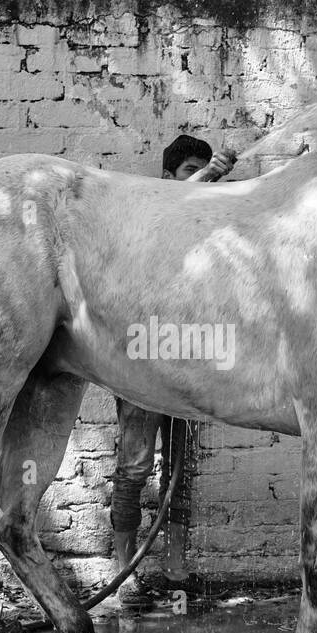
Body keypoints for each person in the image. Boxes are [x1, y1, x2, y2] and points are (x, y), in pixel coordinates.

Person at [112, 135, 235, 606]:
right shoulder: (145, 218)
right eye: (189, 170)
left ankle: (176, 567)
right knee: (135, 467)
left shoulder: (204, 226)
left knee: (182, 473)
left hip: (190, 364)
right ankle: (124, 575)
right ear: (168, 178)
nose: (196, 178)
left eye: (201, 170)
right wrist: (208, 178)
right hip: (141, 366)